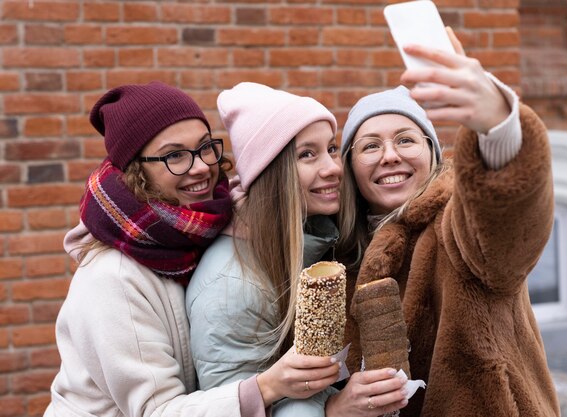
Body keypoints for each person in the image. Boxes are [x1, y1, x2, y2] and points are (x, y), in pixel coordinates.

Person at [338, 30, 561, 416]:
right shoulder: (340, 258)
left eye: (406, 140)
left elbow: (502, 224)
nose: (389, 156)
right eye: (371, 145)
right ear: (350, 167)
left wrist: (496, 125)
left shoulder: (455, 228)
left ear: (431, 151)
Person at [44, 81, 266, 417]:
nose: (202, 166)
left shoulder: (210, 229)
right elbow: (157, 411)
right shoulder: (112, 278)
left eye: (206, 147)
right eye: (175, 155)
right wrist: (267, 388)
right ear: (137, 171)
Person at [186, 82, 409, 417]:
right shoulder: (233, 285)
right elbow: (235, 404)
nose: (333, 167)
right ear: (271, 172)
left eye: (331, 149)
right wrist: (335, 410)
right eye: (307, 154)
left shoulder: (316, 239)